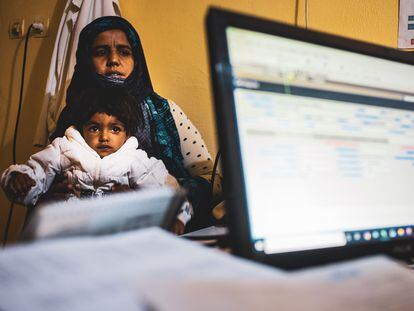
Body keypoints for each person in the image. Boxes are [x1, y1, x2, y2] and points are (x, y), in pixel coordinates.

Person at [45, 16, 221, 231]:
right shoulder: (71, 115)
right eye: (101, 52)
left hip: (157, 235)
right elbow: (42, 174)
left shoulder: (165, 111)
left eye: (124, 51)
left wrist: (153, 198)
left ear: (137, 60)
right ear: (85, 61)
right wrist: (50, 196)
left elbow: (211, 180)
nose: (113, 60)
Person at [1, 88, 192, 230]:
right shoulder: (66, 147)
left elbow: (166, 192)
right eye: (94, 128)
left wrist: (177, 217)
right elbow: (38, 172)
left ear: (127, 132)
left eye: (115, 129)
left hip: (116, 232)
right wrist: (19, 179)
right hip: (69, 228)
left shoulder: (135, 159)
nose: (104, 137)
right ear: (82, 128)